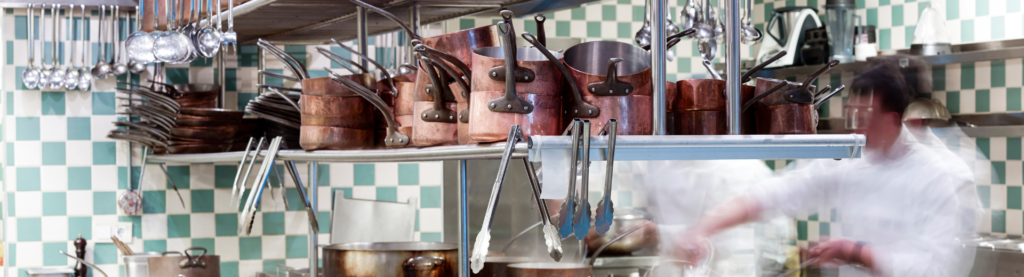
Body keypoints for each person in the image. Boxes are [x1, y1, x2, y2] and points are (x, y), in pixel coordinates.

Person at [674, 62, 975, 277]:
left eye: (865, 116)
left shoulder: (942, 176)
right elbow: (775, 194)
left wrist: (855, 252)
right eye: (852, 114)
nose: (854, 126)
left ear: (893, 119)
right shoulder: (850, 159)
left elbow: (936, 268)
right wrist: (701, 229)